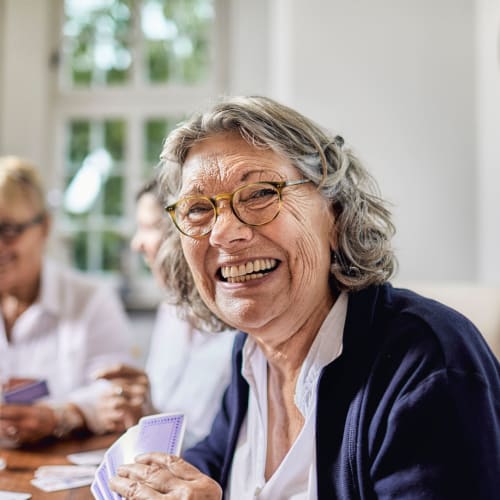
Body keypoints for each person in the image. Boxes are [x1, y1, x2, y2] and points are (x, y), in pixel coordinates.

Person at [109, 96, 500, 499]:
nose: (224, 233)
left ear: (335, 212)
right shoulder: (252, 353)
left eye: (260, 193)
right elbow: (216, 463)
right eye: (197, 209)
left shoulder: (427, 364)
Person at [94, 179, 235, 450]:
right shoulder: (170, 311)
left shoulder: (243, 328)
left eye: (148, 228)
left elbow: (225, 451)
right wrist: (139, 412)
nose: (137, 244)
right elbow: (164, 420)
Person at [0, 156, 132, 445]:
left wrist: (59, 415)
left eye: (8, 231)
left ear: (45, 227)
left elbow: (117, 394)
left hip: (65, 463)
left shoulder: (91, 299)